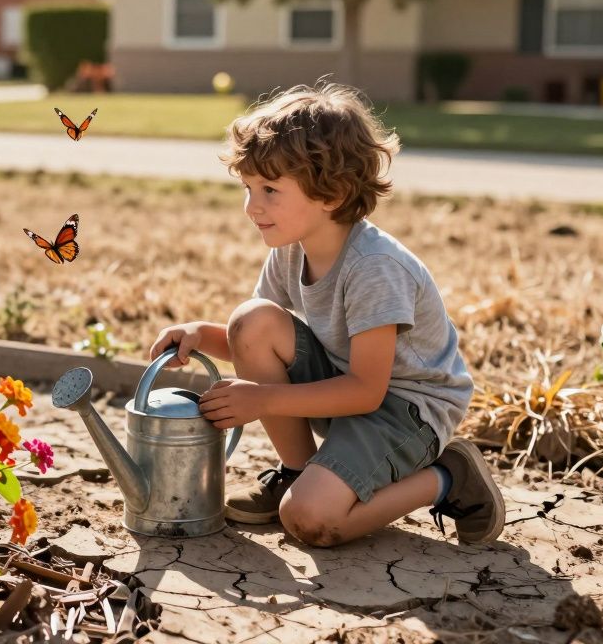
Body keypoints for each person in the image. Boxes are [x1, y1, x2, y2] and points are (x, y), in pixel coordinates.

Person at [148, 82, 503, 547]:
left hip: (405, 412)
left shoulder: (375, 269)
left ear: (331, 194)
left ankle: (449, 476)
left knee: (311, 520)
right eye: (249, 188)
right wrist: (197, 334)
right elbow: (251, 342)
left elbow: (368, 392)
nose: (252, 207)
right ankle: (296, 472)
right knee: (253, 318)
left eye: (270, 190)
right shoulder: (291, 250)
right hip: (343, 387)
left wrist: (263, 401)